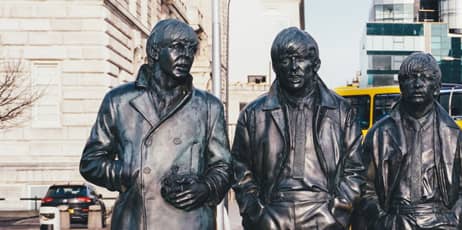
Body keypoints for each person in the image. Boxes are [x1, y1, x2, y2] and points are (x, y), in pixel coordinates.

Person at [80, 19, 231, 229]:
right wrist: (126, 173)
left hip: (191, 220)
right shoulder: (118, 101)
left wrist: (206, 187)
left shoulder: (208, 106)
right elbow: (90, 162)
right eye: (177, 46)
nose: (186, 55)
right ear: (154, 51)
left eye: (191, 49)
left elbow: (223, 166)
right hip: (137, 220)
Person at [231, 27, 365, 230]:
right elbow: (240, 170)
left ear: (316, 64)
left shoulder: (342, 112)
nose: (294, 67)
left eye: (301, 58)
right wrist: (256, 214)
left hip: (324, 214)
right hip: (272, 214)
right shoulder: (253, 114)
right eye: (285, 60)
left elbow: (355, 170)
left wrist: (338, 214)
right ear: (275, 66)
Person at [357, 52, 462, 230]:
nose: (417, 84)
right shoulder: (379, 134)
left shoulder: (454, 135)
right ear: (400, 86)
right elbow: (365, 188)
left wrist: (454, 221)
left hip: (441, 222)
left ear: (437, 87)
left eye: (426, 78)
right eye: (410, 78)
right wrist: (384, 221)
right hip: (395, 220)